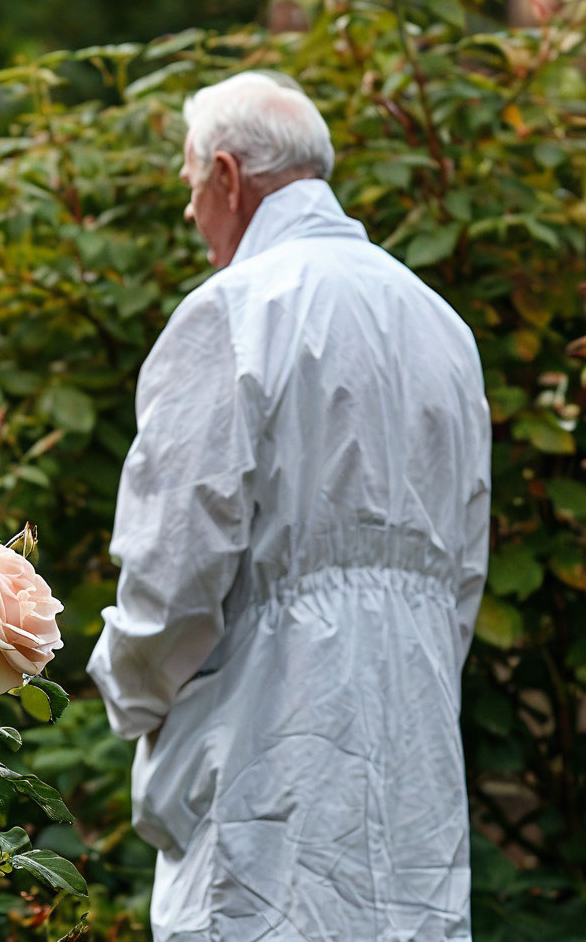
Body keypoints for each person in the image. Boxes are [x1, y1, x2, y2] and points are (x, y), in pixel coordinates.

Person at [86, 71, 491, 942]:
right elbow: (463, 574)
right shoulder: (443, 328)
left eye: (191, 186)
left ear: (227, 177)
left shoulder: (232, 312)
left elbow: (172, 570)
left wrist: (127, 686)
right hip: (413, 765)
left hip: (264, 762)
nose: (190, 213)